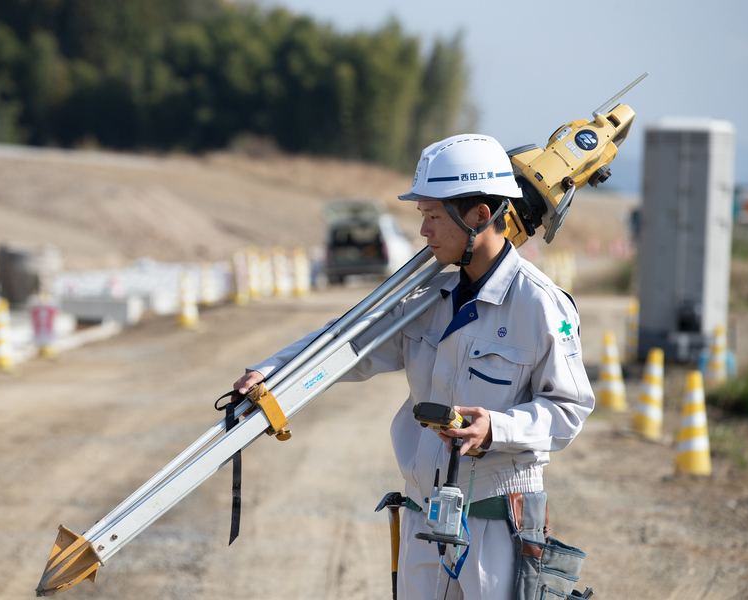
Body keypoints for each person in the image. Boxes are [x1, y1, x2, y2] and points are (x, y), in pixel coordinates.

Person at [233, 134, 595, 599]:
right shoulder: (428, 299)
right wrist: (273, 372)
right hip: (425, 520)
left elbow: (568, 409)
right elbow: (350, 341)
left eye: (433, 216)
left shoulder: (541, 305)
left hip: (497, 526)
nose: (423, 231)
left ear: (480, 215)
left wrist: (497, 428)